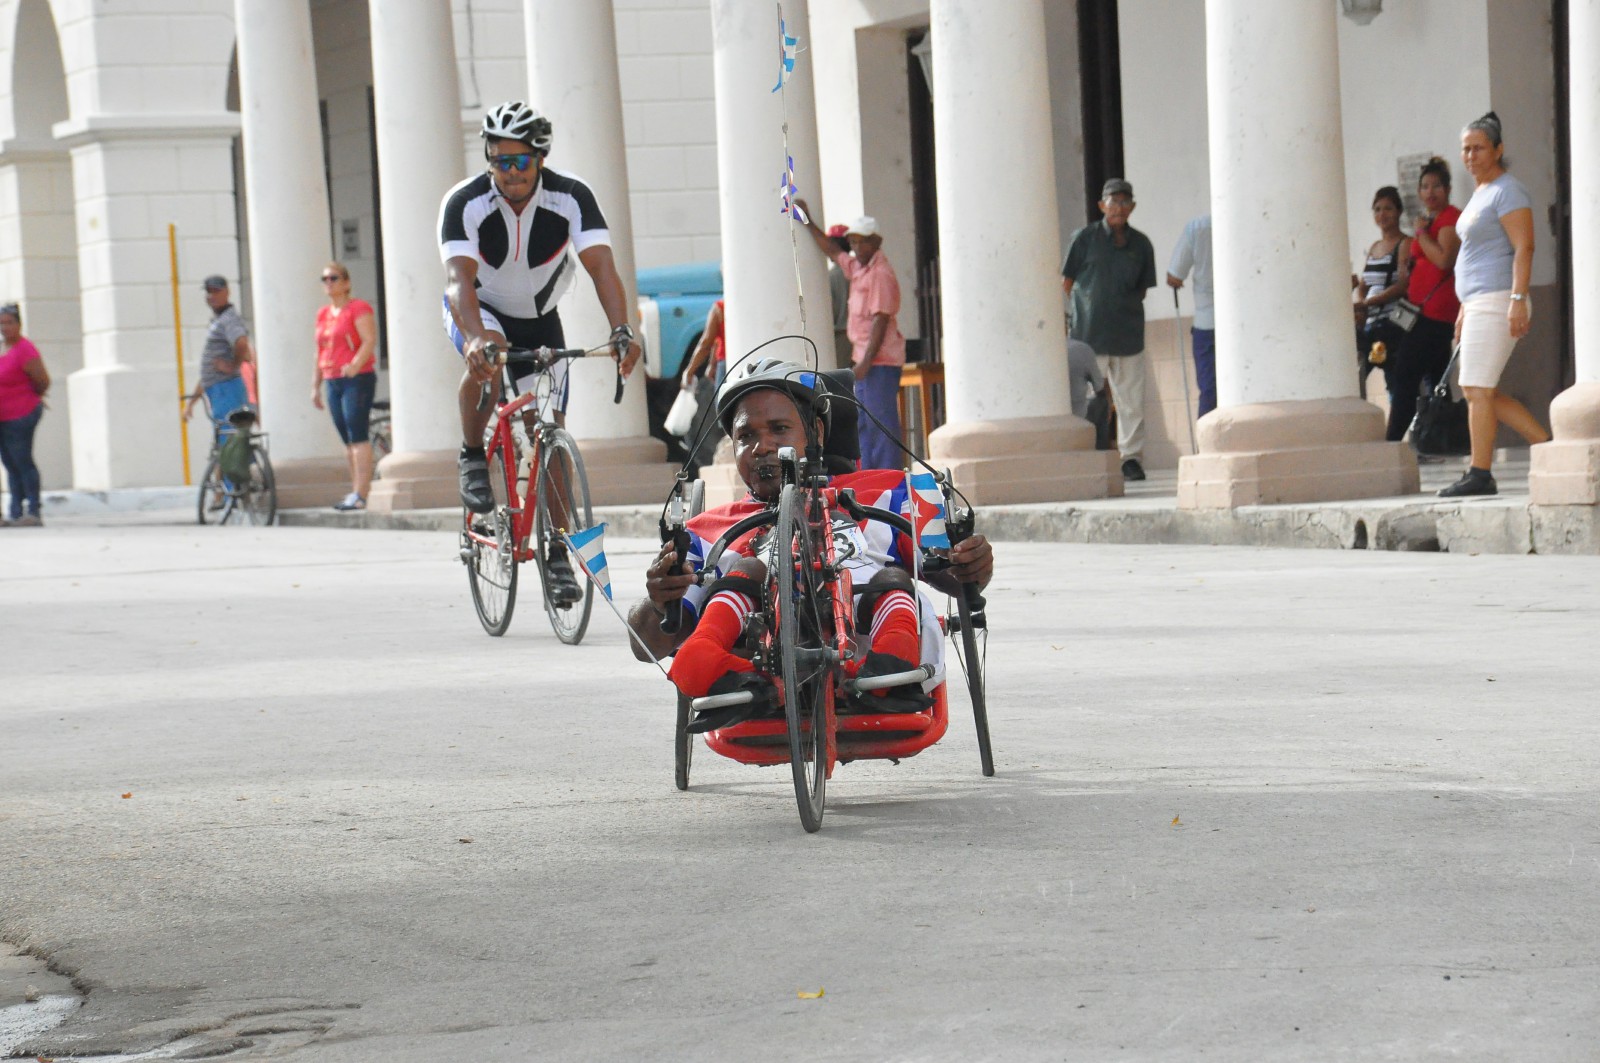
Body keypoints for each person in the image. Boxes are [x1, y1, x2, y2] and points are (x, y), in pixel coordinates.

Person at [627, 357, 993, 730]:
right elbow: (645, 645)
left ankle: (892, 664)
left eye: (779, 429)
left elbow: (954, 578)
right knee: (747, 569)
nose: (762, 447)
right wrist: (659, 601)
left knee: (890, 577)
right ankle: (706, 660)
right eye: (746, 436)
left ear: (815, 432)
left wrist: (971, 564)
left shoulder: (888, 492)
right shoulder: (707, 531)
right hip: (752, 673)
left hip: (873, 668)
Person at [440, 100, 642, 600]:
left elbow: (601, 268)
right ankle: (471, 453)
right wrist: (475, 339)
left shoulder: (571, 197)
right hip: (479, 310)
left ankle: (556, 553)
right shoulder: (465, 202)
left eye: (520, 161)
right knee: (490, 355)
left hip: (541, 319)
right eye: (499, 159)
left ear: (540, 160)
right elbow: (457, 282)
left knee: (550, 430)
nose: (509, 172)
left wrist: (621, 329)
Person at [1439, 112, 1547, 498]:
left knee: (1477, 388)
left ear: (1498, 150)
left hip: (1500, 299)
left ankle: (1480, 473)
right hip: (1479, 302)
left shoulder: (1507, 191)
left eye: (1478, 148)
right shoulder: (1480, 193)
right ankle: (1549, 447)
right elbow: (1475, 253)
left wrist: (1517, 298)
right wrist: (1465, 306)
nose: (1470, 155)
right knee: (1478, 389)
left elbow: (1524, 246)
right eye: (1465, 149)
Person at [793, 202, 909, 470]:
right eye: (853, 242)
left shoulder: (880, 273)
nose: (856, 248)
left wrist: (866, 361)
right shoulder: (859, 267)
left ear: (875, 242)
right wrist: (807, 220)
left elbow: (880, 320)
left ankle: (888, 476)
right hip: (867, 361)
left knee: (881, 424)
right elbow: (833, 251)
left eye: (861, 243)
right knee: (866, 424)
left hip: (879, 361)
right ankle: (870, 476)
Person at [1061, 179, 1158, 481]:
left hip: (1128, 335)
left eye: (1124, 203)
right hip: (1089, 335)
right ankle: (1088, 454)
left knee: (1131, 403)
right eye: (1113, 203)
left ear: (1133, 207)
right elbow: (1067, 282)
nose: (1118, 208)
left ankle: (1130, 458)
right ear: (1102, 206)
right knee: (1087, 399)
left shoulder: (1141, 244)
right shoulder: (1084, 238)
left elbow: (1142, 289)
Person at [1387, 157, 1461, 443]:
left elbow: (1444, 259)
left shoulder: (1449, 219)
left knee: (1406, 374)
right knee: (1437, 378)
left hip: (1434, 313)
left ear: (1448, 189)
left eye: (1437, 186)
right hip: (1418, 310)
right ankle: (1442, 438)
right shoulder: (1431, 220)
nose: (1430, 192)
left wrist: (1420, 234)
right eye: (1425, 187)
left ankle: (1393, 440)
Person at [311, 261, 378, 511]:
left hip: (356, 378)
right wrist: (315, 385)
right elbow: (319, 350)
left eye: (334, 278)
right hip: (332, 379)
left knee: (357, 433)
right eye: (325, 279)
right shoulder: (323, 314)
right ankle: (354, 491)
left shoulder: (358, 308)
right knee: (346, 438)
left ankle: (362, 493)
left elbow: (369, 340)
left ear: (346, 283)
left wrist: (355, 364)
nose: (329, 283)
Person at [1353, 187, 1412, 401]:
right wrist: (1362, 302)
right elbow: (1364, 284)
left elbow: (1403, 284)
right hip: (1371, 322)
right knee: (1356, 375)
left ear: (1398, 211)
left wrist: (1370, 302)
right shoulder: (1375, 246)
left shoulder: (1405, 244)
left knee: (1394, 380)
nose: (1382, 214)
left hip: (1392, 323)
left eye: (1388, 208)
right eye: (1377, 209)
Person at [184, 275, 255, 435]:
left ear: (227, 292)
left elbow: (242, 343)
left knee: (229, 438)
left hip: (226, 389)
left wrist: (233, 366)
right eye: (209, 292)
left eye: (216, 291)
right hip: (219, 389)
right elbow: (208, 372)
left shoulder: (229, 319)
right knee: (228, 439)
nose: (211, 296)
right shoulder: (219, 320)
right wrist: (191, 403)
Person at [0, 302, 49, 527]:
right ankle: (15, 510)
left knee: (23, 461)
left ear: (19, 324)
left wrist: (29, 398)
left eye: (10, 323)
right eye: (2, 323)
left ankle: (33, 510)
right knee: (9, 463)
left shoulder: (24, 349)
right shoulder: (3, 349)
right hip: (3, 416)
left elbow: (42, 380)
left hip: (22, 414)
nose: (5, 327)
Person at [1165, 213, 1216, 418]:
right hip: (1245, 321)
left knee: (1209, 387)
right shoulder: (1248, 222)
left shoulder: (1198, 227)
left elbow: (1174, 276)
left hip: (1207, 321)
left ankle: (1207, 441)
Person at [826, 224, 852, 370]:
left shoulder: (830, 278)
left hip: (840, 338)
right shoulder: (860, 271)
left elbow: (831, 314)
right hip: (862, 340)